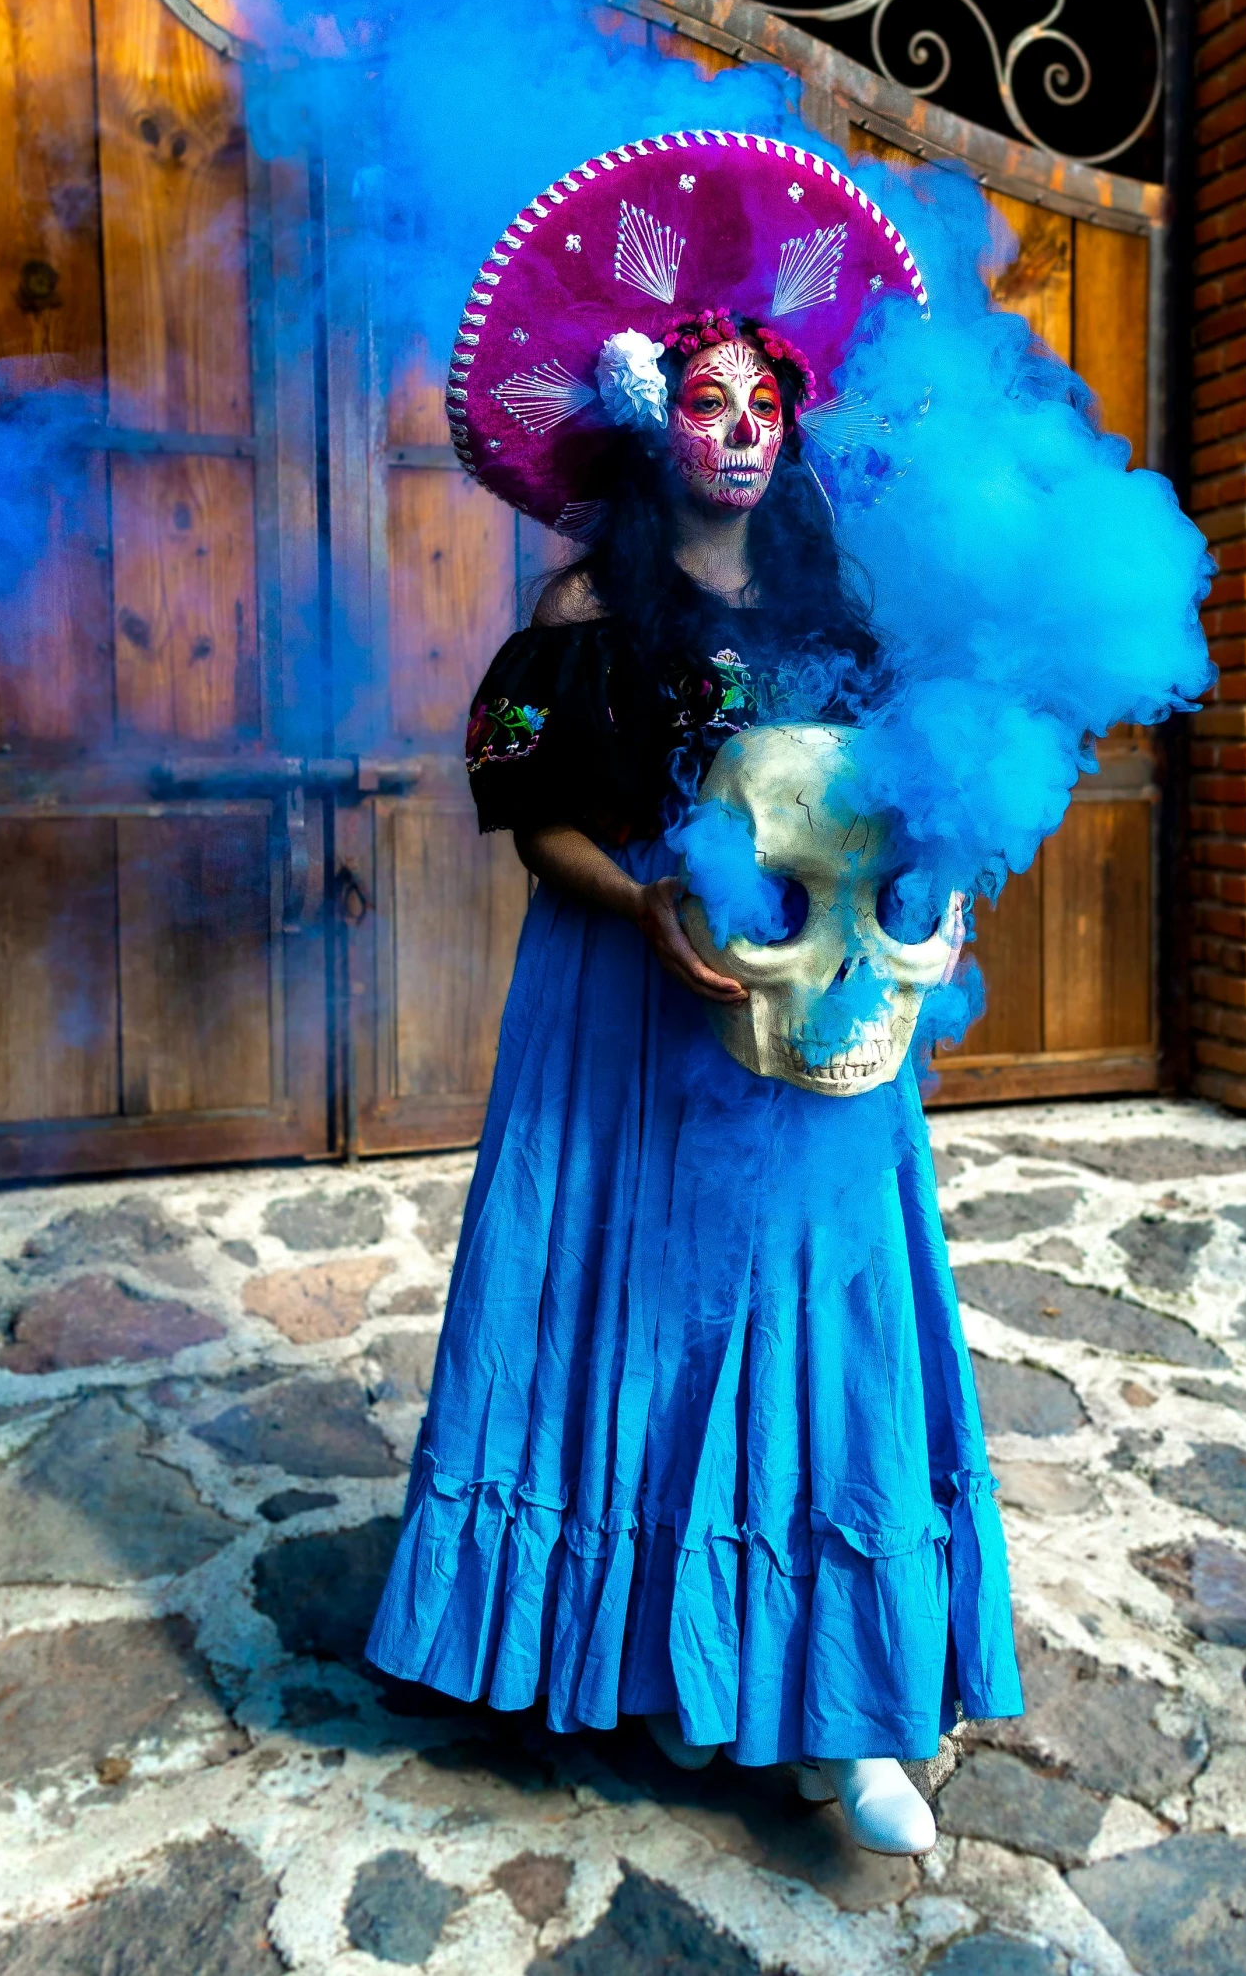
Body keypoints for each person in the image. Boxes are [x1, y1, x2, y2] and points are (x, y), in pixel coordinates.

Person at [367, 132, 1022, 1855]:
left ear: (788, 427)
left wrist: (930, 884)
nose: (736, 428)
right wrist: (645, 895)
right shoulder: (581, 606)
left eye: (761, 404)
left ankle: (843, 1704)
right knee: (643, 1319)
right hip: (625, 1009)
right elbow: (511, 796)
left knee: (826, 1322)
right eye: (706, 399)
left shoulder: (838, 602)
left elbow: (902, 804)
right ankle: (648, 1647)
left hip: (810, 1028)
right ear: (653, 420)